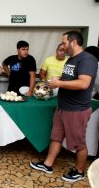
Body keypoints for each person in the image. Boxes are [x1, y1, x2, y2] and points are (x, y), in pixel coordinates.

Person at [30, 31, 98, 182]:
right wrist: (59, 78)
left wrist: (59, 83)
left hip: (77, 109)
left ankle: (79, 171)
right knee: (56, 137)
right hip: (63, 107)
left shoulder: (87, 59)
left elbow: (83, 83)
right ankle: (48, 164)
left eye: (65, 43)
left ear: (74, 42)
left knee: (78, 143)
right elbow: (71, 78)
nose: (63, 46)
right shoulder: (71, 59)